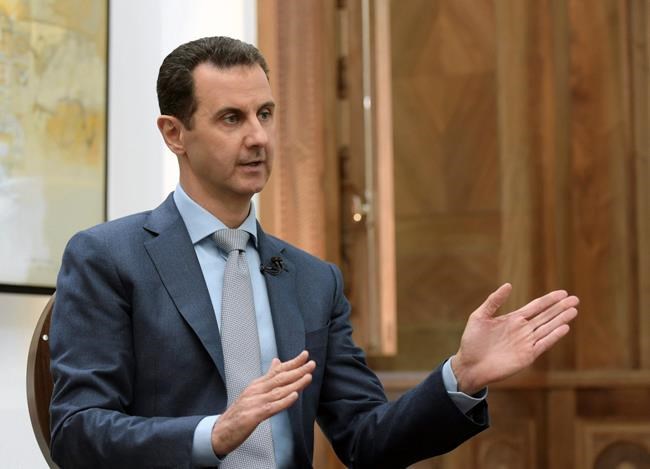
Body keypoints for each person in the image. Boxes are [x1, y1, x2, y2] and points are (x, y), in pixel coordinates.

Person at [49, 36, 578, 469]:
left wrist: (460, 376)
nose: (258, 137)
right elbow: (76, 433)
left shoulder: (311, 279)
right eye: (232, 118)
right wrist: (214, 433)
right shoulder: (108, 258)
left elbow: (368, 441)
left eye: (265, 114)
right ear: (174, 134)